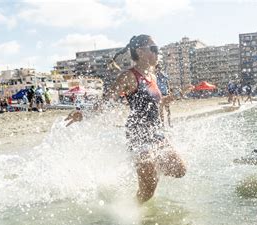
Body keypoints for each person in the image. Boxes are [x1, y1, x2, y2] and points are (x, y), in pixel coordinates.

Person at [65, 35, 186, 203]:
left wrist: (172, 98)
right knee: (148, 192)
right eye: (154, 49)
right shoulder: (129, 76)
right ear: (140, 52)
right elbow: (106, 101)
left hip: (157, 133)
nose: (157, 53)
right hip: (138, 134)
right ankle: (131, 213)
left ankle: (150, 167)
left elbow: (156, 102)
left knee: (180, 169)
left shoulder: (153, 76)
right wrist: (83, 113)